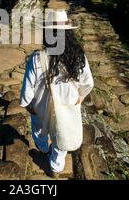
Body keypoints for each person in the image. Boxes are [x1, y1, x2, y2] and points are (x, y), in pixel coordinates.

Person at [19, 10, 94, 178]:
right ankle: (56, 166)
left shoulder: (37, 58)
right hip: (67, 104)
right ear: (68, 33)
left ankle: (44, 148)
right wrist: (79, 98)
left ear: (47, 34)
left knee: (39, 129)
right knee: (62, 133)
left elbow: (28, 87)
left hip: (42, 106)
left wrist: (27, 104)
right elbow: (88, 82)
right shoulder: (78, 56)